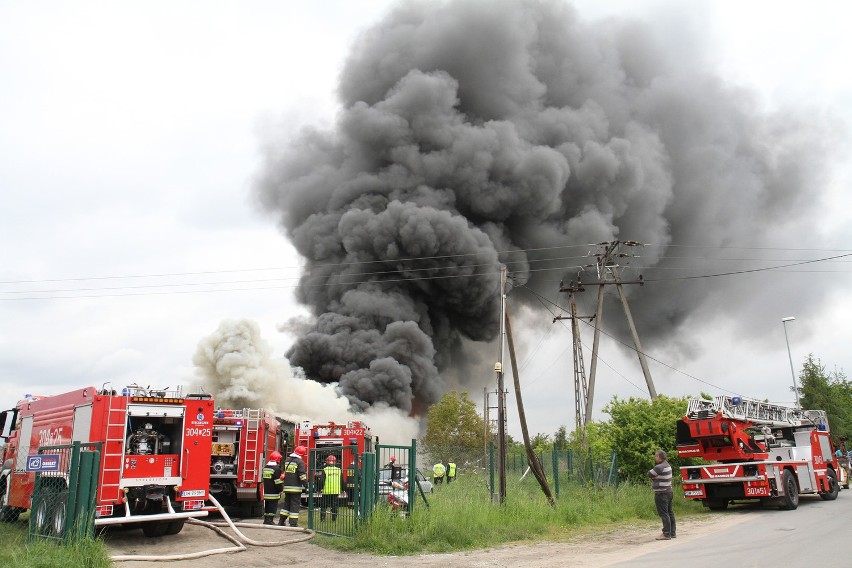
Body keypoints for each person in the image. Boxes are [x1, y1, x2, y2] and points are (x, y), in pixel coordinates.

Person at [647, 449, 676, 540]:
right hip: (669, 491)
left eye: (656, 456)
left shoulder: (659, 467)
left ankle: (666, 533)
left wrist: (655, 478)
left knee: (664, 513)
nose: (655, 457)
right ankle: (672, 532)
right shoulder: (667, 465)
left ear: (659, 457)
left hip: (661, 493)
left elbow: (649, 474)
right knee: (670, 512)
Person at [278, 445, 308, 527]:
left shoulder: (287, 460)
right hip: (295, 488)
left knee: (286, 505)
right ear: (302, 454)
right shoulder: (300, 462)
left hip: (287, 487)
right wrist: (306, 486)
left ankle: (281, 521)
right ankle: (293, 523)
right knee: (294, 506)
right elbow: (302, 475)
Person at [261, 451, 283, 525]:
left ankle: (266, 520)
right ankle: (270, 520)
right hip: (274, 492)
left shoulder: (265, 468)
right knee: (272, 506)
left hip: (266, 491)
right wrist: (281, 489)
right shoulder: (276, 469)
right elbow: (278, 482)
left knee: (267, 506)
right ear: (277, 460)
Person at [318, 455, 341, 522]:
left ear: (327, 462)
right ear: (335, 462)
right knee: (334, 506)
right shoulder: (338, 470)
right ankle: (334, 519)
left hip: (326, 491)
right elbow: (341, 480)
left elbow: (322, 481)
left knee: (324, 506)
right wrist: (343, 489)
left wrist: (319, 489)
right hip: (335, 491)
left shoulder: (325, 470)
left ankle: (323, 519)